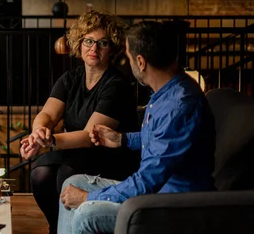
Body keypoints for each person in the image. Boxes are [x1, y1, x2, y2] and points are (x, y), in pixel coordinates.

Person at [58, 21, 216, 234]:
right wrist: (123, 139)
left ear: (140, 62)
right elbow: (162, 138)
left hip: (174, 205)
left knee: (87, 213)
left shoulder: (180, 104)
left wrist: (87, 197)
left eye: (130, 58)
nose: (128, 65)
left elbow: (148, 179)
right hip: (156, 192)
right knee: (73, 182)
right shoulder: (166, 92)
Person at [20, 11, 140, 233]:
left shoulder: (116, 85)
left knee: (67, 175)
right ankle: (57, 227)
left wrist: (48, 140)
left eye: (102, 43)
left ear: (112, 48)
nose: (94, 48)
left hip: (108, 155)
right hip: (74, 150)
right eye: (88, 41)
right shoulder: (70, 78)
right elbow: (47, 114)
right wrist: (38, 132)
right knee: (40, 173)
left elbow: (88, 137)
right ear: (79, 43)